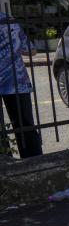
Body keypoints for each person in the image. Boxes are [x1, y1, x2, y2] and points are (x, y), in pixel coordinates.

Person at [0, 11, 43, 157]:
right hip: (16, 80)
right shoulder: (7, 20)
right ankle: (33, 162)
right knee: (25, 126)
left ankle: (5, 162)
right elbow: (31, 51)